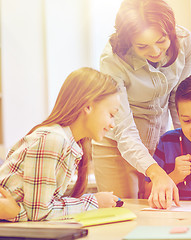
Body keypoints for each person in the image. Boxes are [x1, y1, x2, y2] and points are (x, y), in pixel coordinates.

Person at [93, 0, 191, 209]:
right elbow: (124, 130)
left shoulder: (185, 42)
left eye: (162, 40)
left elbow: (180, 100)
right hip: (117, 147)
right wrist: (156, 171)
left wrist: (188, 144)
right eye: (142, 46)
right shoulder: (112, 61)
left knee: (160, 212)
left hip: (160, 143)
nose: (156, 51)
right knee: (123, 214)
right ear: (128, 40)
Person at [0, 67, 121, 221]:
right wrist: (94, 201)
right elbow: (39, 213)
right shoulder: (53, 139)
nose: (112, 124)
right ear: (88, 106)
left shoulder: (70, 145)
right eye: (111, 114)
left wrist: (16, 212)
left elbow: (39, 209)